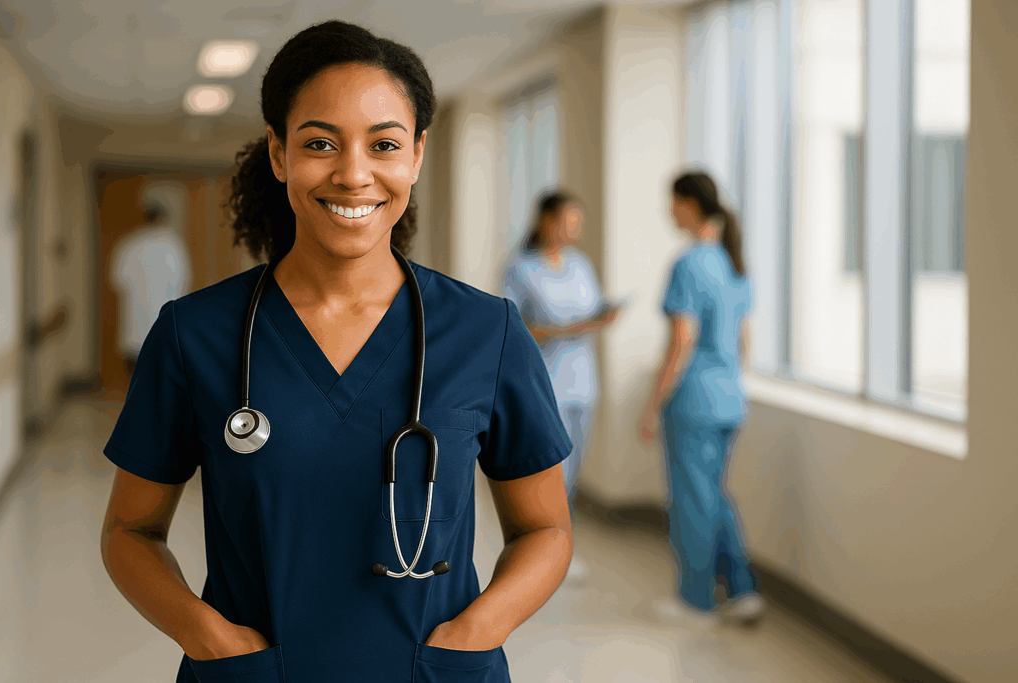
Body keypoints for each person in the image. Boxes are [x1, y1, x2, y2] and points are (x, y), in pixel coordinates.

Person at [100, 20, 574, 683]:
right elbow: (129, 530)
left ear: (416, 154)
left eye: (383, 143)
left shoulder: (485, 331)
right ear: (278, 153)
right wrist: (205, 634)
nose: (354, 174)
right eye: (320, 143)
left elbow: (546, 529)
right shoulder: (195, 335)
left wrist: (477, 631)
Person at [638, 171, 764, 627]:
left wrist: (653, 403)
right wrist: (730, 380)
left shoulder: (689, 264)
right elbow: (746, 338)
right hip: (730, 397)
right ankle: (743, 590)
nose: (668, 212)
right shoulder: (735, 263)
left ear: (690, 204)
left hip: (694, 400)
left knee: (692, 500)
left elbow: (682, 340)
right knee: (713, 495)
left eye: (672, 203)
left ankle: (696, 601)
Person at [503, 191, 618, 584]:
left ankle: (560, 550)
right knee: (552, 475)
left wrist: (599, 320)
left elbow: (595, 311)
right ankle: (545, 553)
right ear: (546, 221)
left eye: (578, 221)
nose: (575, 229)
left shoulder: (580, 265)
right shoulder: (521, 268)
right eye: (569, 220)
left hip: (583, 382)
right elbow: (511, 328)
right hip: (546, 383)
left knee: (573, 474)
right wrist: (562, 331)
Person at [107, 200, 191, 379]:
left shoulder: (129, 245)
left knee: (135, 376)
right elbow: (183, 282)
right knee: (161, 375)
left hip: (135, 323)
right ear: (163, 219)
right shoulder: (173, 246)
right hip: (164, 322)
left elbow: (116, 281)